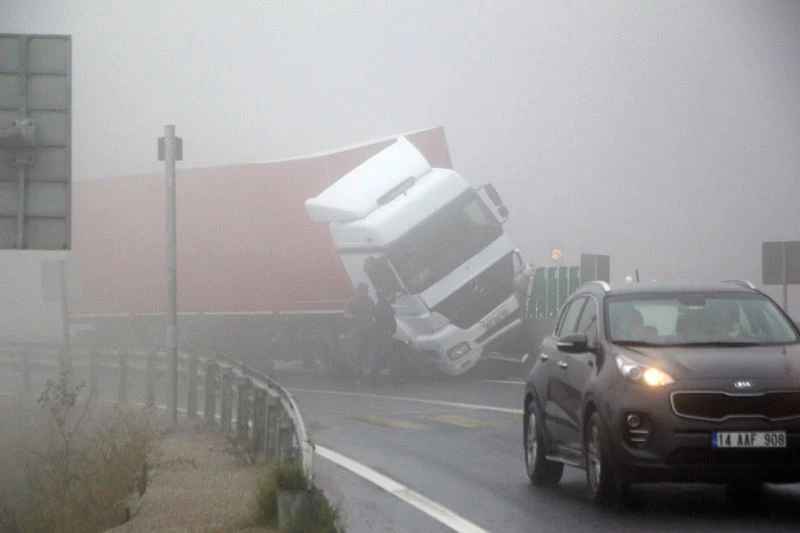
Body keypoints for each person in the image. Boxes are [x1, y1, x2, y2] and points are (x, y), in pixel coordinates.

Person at [344, 282, 375, 384]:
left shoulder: (369, 301)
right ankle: (358, 378)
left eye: (366, 290)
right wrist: (356, 316)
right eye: (362, 290)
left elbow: (373, 313)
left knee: (371, 353)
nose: (364, 292)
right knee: (357, 355)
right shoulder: (351, 301)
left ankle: (372, 376)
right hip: (356, 331)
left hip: (369, 330)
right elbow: (346, 315)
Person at [372, 288, 397, 384]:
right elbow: (388, 319)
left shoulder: (381, 304)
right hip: (384, 335)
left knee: (379, 355)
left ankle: (374, 377)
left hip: (381, 334)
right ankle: (393, 378)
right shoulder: (384, 305)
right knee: (389, 356)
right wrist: (388, 331)